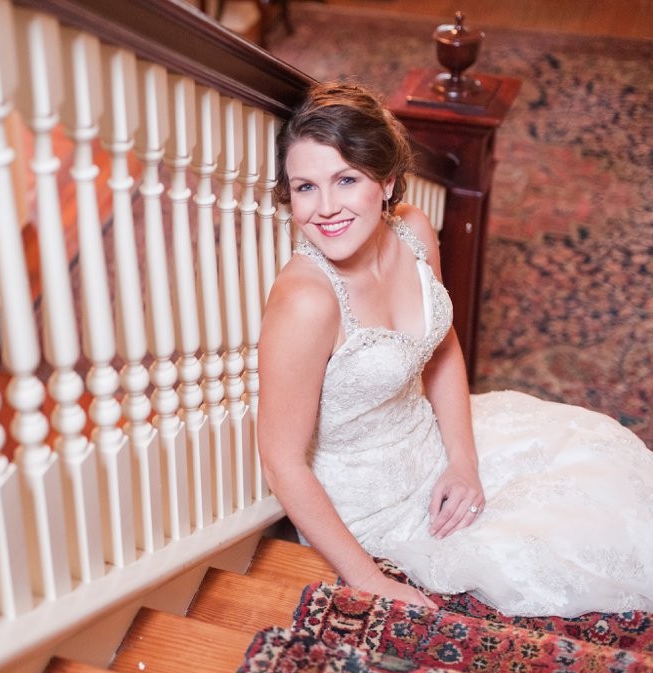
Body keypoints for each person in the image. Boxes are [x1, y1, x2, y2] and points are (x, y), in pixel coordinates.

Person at [257, 80, 653, 618]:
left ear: (387, 181)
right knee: (553, 552)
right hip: (371, 505)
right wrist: (369, 578)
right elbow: (282, 463)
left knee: (602, 464)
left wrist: (464, 463)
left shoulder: (414, 231)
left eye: (346, 180)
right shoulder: (305, 301)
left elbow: (440, 350)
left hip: (434, 444)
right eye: (305, 187)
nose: (325, 208)